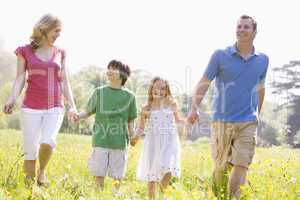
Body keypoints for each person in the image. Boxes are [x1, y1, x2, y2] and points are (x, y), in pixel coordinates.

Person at [187, 15, 269, 199]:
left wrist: (258, 113)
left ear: (255, 32)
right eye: (239, 26)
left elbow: (261, 88)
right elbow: (204, 81)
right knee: (221, 166)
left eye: (246, 27)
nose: (241, 29)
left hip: (248, 121)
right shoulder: (220, 55)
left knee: (242, 164)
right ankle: (219, 196)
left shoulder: (263, 60)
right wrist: (194, 107)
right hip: (222, 121)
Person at [2, 14, 77, 186]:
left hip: (55, 105)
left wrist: (72, 106)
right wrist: (11, 99)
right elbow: (20, 78)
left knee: (48, 141)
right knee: (30, 152)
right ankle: (29, 189)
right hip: (30, 107)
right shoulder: (25, 51)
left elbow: (65, 81)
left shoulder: (60, 52)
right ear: (45, 28)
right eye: (56, 31)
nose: (58, 34)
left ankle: (41, 171)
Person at [74, 60, 137, 191]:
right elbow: (88, 111)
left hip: (119, 143)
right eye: (109, 68)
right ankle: (98, 195)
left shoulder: (130, 97)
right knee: (99, 173)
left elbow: (131, 120)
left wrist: (132, 136)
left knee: (117, 176)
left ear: (123, 74)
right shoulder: (99, 92)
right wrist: (78, 116)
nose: (109, 70)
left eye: (114, 68)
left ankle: (115, 195)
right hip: (101, 140)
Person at [131, 77, 185, 200]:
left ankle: (162, 192)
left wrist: (189, 121)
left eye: (162, 88)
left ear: (167, 91)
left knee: (168, 170)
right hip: (153, 143)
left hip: (169, 141)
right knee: (152, 175)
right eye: (156, 87)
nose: (159, 91)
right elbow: (141, 127)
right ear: (151, 88)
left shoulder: (172, 104)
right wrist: (135, 138)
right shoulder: (146, 108)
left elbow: (178, 120)